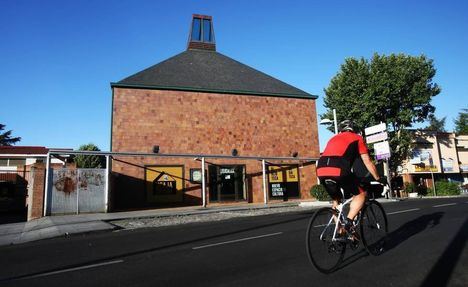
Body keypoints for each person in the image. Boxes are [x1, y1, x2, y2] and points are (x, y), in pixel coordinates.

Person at [316, 120, 382, 238]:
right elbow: (367, 161)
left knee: (336, 200)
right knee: (360, 194)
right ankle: (348, 223)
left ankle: (340, 230)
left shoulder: (333, 139)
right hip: (338, 168)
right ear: (353, 129)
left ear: (341, 130)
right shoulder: (357, 138)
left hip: (321, 169)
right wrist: (378, 177)